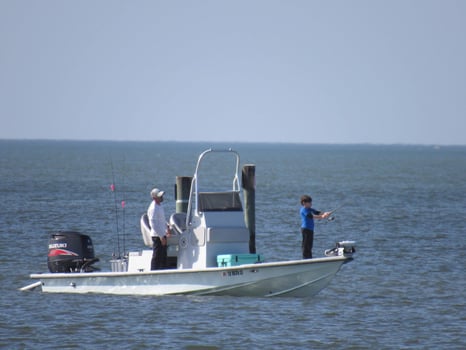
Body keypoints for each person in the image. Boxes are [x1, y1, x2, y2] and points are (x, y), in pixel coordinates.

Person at [300, 195, 330, 259]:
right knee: (306, 245)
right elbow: (311, 216)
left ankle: (309, 258)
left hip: (310, 229)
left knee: (310, 245)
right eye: (309, 202)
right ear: (304, 203)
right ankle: (305, 259)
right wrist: (322, 217)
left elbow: (317, 212)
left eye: (311, 202)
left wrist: (325, 213)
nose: (311, 204)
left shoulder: (310, 209)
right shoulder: (304, 210)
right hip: (305, 229)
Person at [147, 188, 171, 270]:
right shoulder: (153, 208)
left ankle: (163, 271)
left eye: (161, 196)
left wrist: (167, 227)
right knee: (157, 256)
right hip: (157, 236)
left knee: (163, 255)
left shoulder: (159, 206)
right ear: (154, 198)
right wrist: (161, 236)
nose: (162, 197)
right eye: (159, 196)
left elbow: (162, 220)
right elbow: (153, 223)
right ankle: (154, 272)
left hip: (162, 234)